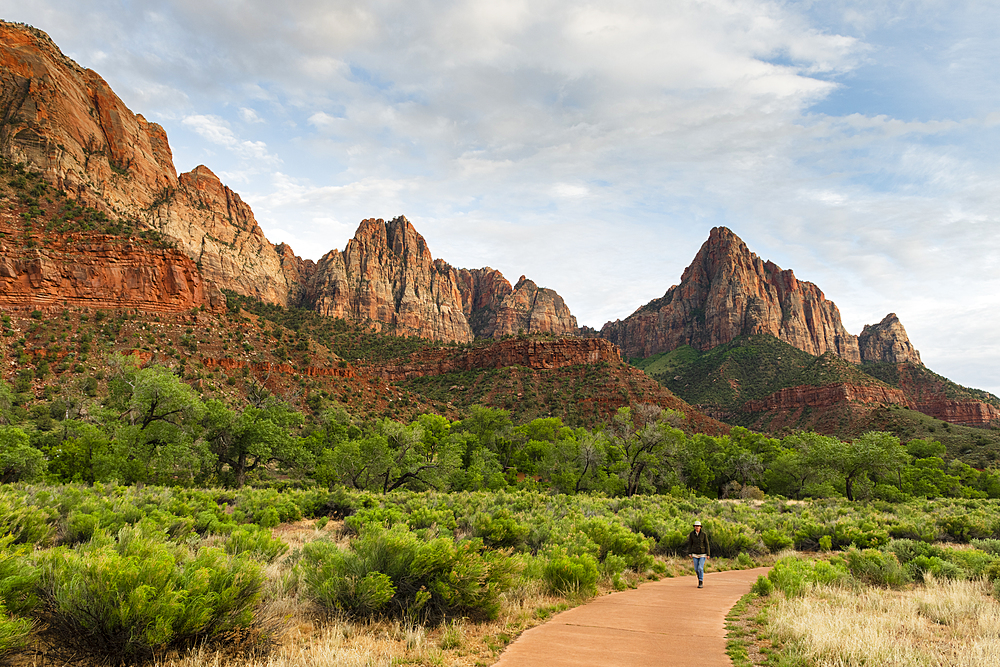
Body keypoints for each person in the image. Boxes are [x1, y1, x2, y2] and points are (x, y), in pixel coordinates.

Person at [687, 520, 710, 588]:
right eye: (696, 526)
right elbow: (690, 544)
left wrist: (708, 554)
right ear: (694, 527)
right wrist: (690, 553)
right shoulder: (691, 534)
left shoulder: (703, 535)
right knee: (696, 569)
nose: (697, 527)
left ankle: (701, 581)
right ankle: (699, 577)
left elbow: (707, 544)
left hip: (702, 553)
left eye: (698, 526)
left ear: (700, 527)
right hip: (695, 553)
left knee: (700, 568)